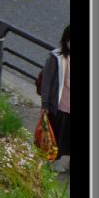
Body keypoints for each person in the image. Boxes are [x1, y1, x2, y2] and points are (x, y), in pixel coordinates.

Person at [37, 24, 72, 172]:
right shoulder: (56, 57)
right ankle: (51, 162)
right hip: (59, 107)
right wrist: (45, 104)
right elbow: (47, 82)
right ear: (66, 40)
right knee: (55, 137)